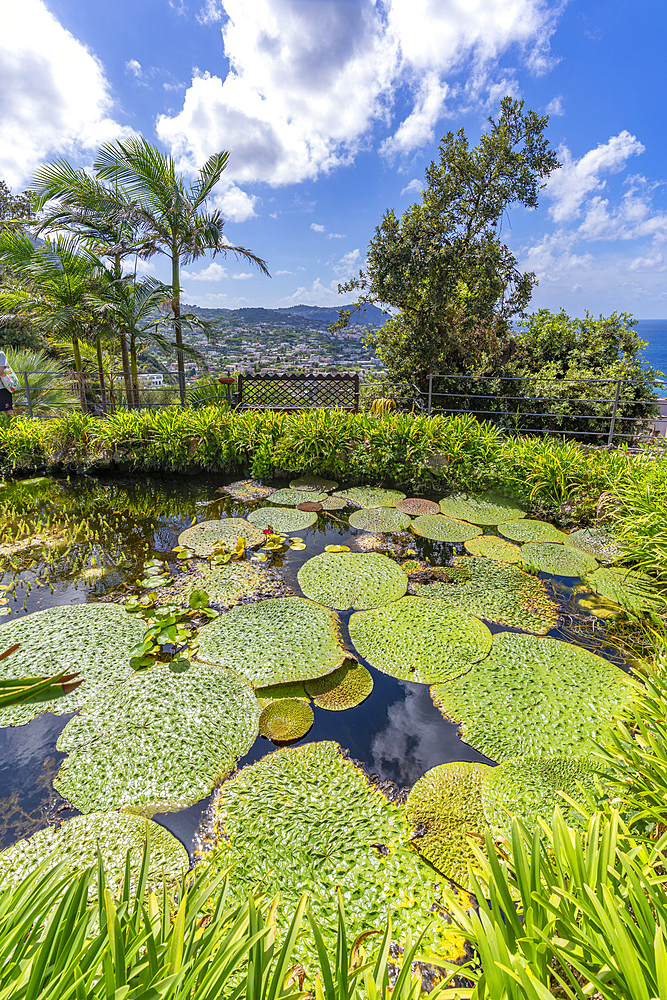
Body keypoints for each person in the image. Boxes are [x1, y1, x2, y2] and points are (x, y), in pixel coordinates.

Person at [0, 351, 15, 417]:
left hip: (3, 387)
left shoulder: (1, 354)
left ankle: (12, 426)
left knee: (8, 411)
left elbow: (1, 370)